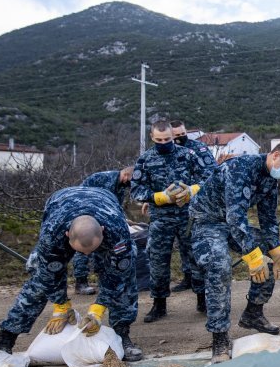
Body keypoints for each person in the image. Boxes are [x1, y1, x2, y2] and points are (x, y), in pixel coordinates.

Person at [0, 186, 143, 361]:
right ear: (66, 235)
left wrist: (98, 309)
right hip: (60, 202)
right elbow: (50, 274)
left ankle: (122, 336)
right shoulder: (52, 234)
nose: (86, 256)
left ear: (102, 230)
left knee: (126, 280)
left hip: (105, 200)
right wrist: (61, 306)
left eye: (91, 251)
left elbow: (118, 275)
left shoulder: (117, 231)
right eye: (81, 252)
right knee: (39, 283)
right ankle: (6, 339)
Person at [189, 141, 280, 362]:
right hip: (206, 222)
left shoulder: (270, 180)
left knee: (267, 257)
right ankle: (219, 338)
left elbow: (268, 220)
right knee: (219, 265)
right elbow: (236, 217)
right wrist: (252, 256)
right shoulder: (241, 168)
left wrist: (277, 252)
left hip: (231, 224)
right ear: (275, 155)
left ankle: (253, 314)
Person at [130, 119, 209, 322]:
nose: (163, 142)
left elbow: (209, 177)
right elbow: (136, 190)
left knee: (196, 258)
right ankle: (159, 305)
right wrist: (158, 197)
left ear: (173, 137)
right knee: (157, 260)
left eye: (167, 139)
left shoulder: (188, 155)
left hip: (189, 216)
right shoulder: (145, 160)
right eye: (159, 139)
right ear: (152, 137)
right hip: (161, 219)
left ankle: (203, 300)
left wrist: (193, 190)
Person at [169, 120, 216, 294]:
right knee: (183, 243)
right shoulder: (168, 150)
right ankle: (187, 277)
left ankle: (201, 283)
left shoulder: (199, 149)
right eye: (176, 136)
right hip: (174, 206)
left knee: (194, 243)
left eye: (182, 134)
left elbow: (212, 173)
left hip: (197, 203)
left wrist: (194, 189)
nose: (180, 138)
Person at [73, 166, 134, 296]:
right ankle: (80, 282)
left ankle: (102, 279)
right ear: (126, 176)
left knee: (104, 247)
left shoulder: (121, 186)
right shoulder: (103, 178)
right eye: (130, 181)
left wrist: (122, 219)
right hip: (86, 215)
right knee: (84, 246)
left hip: (103, 219)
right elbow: (81, 195)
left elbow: (115, 205)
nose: (130, 185)